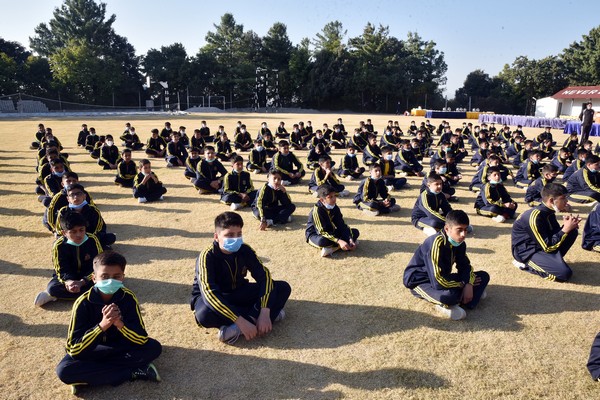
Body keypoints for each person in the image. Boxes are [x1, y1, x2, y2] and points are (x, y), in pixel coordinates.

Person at [56, 251, 162, 394]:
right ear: (94, 278)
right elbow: (74, 349)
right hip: (94, 349)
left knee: (154, 348)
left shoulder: (128, 298)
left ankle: (88, 376)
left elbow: (141, 338)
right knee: (64, 371)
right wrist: (102, 325)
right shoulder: (83, 303)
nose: (110, 281)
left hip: (120, 346)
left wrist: (120, 324)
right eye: (105, 276)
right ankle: (133, 372)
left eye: (116, 276)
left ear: (122, 277)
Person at [190, 212, 291, 344]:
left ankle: (241, 326)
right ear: (216, 237)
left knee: (282, 288)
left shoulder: (245, 250)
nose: (235, 239)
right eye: (229, 235)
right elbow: (210, 294)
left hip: (239, 291)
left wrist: (265, 311)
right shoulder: (207, 256)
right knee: (204, 315)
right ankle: (257, 318)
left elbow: (264, 277)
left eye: (239, 234)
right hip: (216, 297)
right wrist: (240, 321)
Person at [403, 210, 489, 320]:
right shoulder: (436, 243)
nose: (463, 234)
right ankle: (450, 302)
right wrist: (463, 284)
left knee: (483, 276)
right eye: (459, 230)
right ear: (447, 229)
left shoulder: (459, 243)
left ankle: (463, 299)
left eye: (465, 230)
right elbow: (438, 282)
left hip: (442, 277)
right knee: (448, 296)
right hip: (421, 281)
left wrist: (469, 284)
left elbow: (465, 266)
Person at [511, 183, 580, 282]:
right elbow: (547, 247)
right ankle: (524, 264)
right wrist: (565, 229)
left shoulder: (549, 212)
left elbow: (553, 235)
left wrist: (568, 226)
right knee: (564, 274)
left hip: (541, 246)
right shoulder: (534, 216)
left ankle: (552, 261)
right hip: (527, 252)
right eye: (563, 198)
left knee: (572, 231)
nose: (566, 201)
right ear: (551, 200)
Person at [34, 211, 103, 307]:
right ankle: (92, 295)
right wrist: (69, 282)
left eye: (81, 230)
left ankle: (90, 294)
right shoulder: (59, 245)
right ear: (64, 233)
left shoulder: (92, 240)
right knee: (52, 288)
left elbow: (99, 266)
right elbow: (61, 270)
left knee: (104, 283)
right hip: (69, 277)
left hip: (88, 277)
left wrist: (83, 281)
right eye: (73, 232)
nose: (79, 234)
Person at [306, 184, 359, 257]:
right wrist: (339, 241)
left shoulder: (334, 207)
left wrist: (349, 239)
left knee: (355, 232)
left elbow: (341, 225)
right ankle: (338, 246)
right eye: (330, 197)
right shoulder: (317, 211)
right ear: (322, 200)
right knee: (322, 241)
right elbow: (322, 232)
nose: (334, 199)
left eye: (334, 196)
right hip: (316, 235)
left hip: (331, 232)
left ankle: (334, 248)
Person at [55, 184, 116, 248]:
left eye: (78, 194)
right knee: (58, 243)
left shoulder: (93, 210)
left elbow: (99, 229)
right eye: (72, 195)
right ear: (68, 199)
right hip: (71, 239)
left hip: (89, 239)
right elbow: (59, 230)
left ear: (84, 196)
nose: (75, 197)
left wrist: (87, 239)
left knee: (110, 237)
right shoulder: (63, 211)